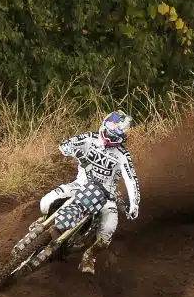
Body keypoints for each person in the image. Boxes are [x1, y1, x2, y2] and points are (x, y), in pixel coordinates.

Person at [29, 110, 141, 275]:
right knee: (46, 202)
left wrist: (134, 204)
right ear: (105, 123)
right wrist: (69, 149)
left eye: (116, 131)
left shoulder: (123, 155)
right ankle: (44, 220)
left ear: (123, 135)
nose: (111, 133)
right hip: (79, 185)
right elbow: (66, 145)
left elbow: (131, 180)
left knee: (107, 231)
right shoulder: (89, 138)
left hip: (106, 197)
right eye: (110, 127)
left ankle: (90, 255)